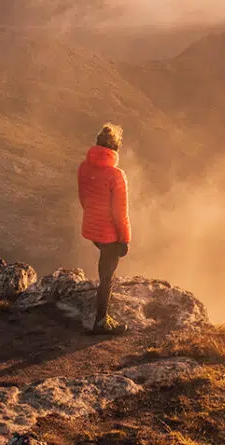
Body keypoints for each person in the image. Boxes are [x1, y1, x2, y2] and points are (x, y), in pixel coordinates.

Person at [77, 122, 132, 334]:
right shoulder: (116, 175)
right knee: (107, 277)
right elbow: (120, 213)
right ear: (115, 149)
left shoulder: (84, 167)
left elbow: (84, 198)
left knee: (104, 269)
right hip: (109, 234)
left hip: (93, 230)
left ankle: (102, 314)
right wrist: (124, 239)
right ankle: (101, 321)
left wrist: (93, 218)